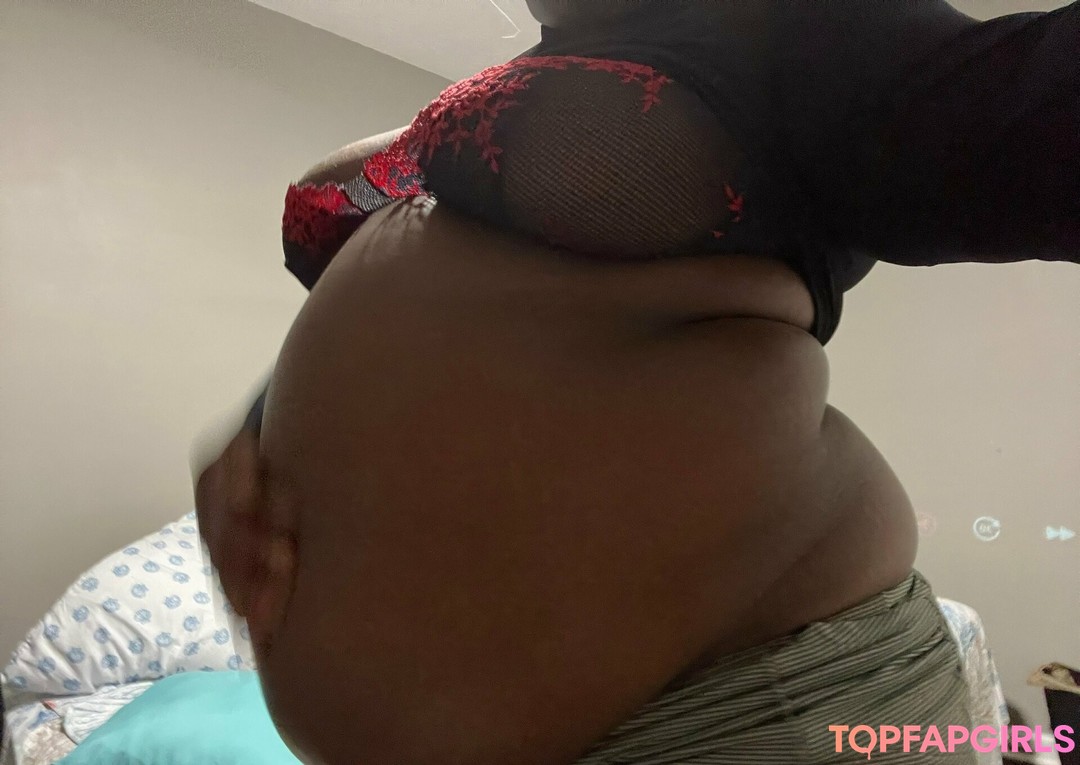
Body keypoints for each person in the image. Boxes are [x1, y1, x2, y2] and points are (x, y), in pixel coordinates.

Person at [195, 1, 1079, 762]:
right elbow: (378, 275)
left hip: (762, 699)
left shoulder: (801, 24)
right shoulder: (514, 93)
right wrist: (265, 432)